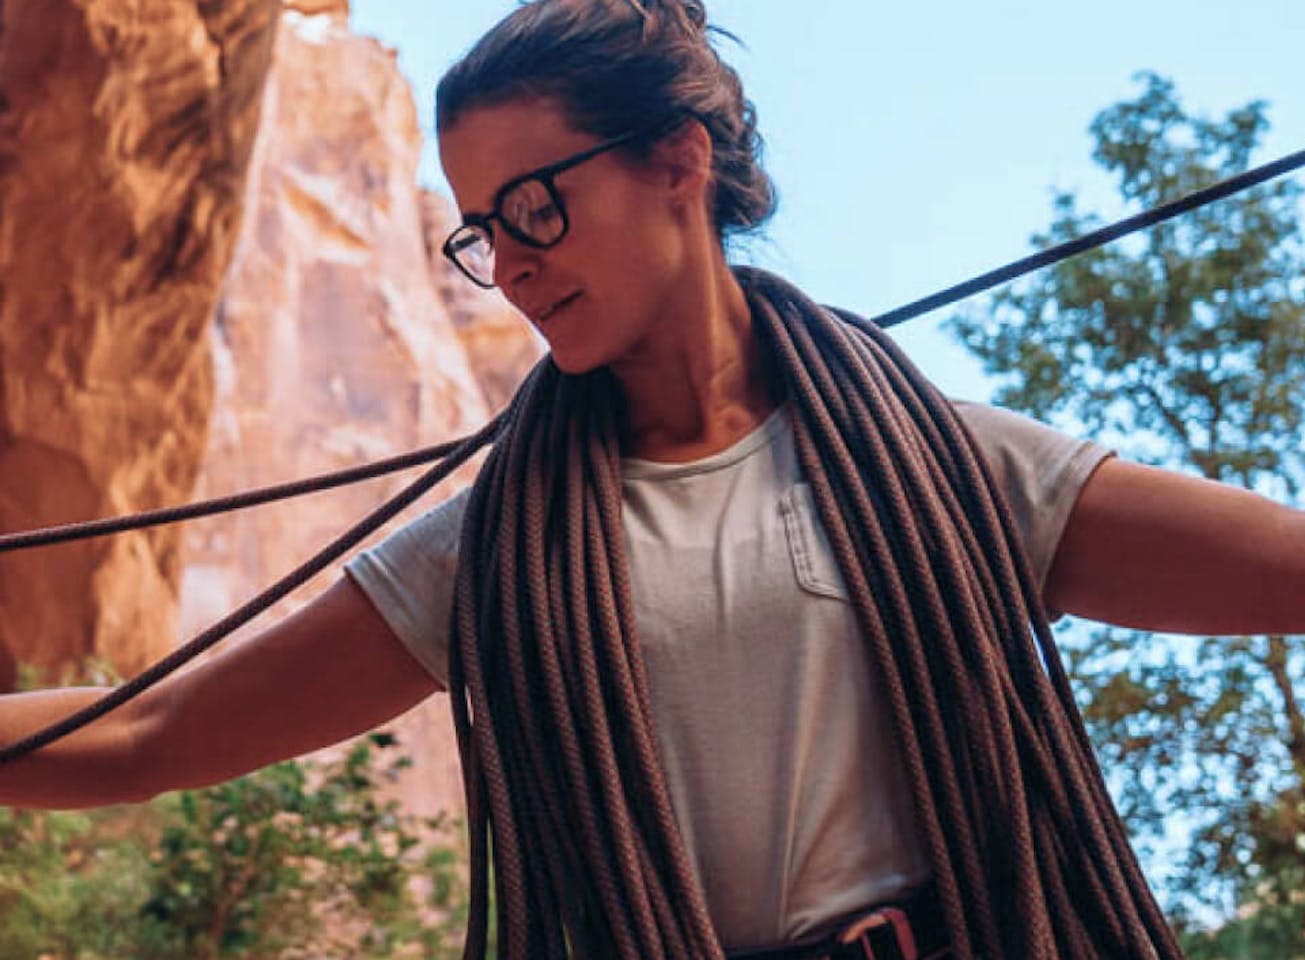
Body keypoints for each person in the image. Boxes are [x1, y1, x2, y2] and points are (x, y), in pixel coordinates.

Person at [1, 1, 1302, 957]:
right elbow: (144, 731)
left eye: (535, 207)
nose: (506, 263)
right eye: (478, 229)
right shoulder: (485, 555)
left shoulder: (949, 466)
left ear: (675, 163)